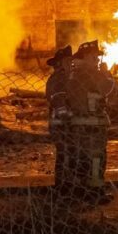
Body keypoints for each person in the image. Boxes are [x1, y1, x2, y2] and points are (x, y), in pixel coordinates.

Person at [66, 40, 115, 205]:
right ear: (85, 57)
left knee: (82, 158)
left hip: (79, 124)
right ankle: (95, 193)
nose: (97, 59)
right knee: (96, 160)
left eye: (97, 56)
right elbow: (107, 87)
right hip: (93, 124)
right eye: (94, 56)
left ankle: (82, 193)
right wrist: (107, 73)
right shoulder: (93, 74)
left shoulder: (75, 75)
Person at [45, 45, 73, 202]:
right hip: (62, 125)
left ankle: (64, 189)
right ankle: (63, 191)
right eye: (68, 61)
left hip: (63, 125)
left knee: (65, 156)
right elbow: (59, 102)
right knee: (66, 156)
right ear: (61, 63)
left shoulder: (65, 77)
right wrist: (69, 120)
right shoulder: (59, 79)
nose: (71, 63)